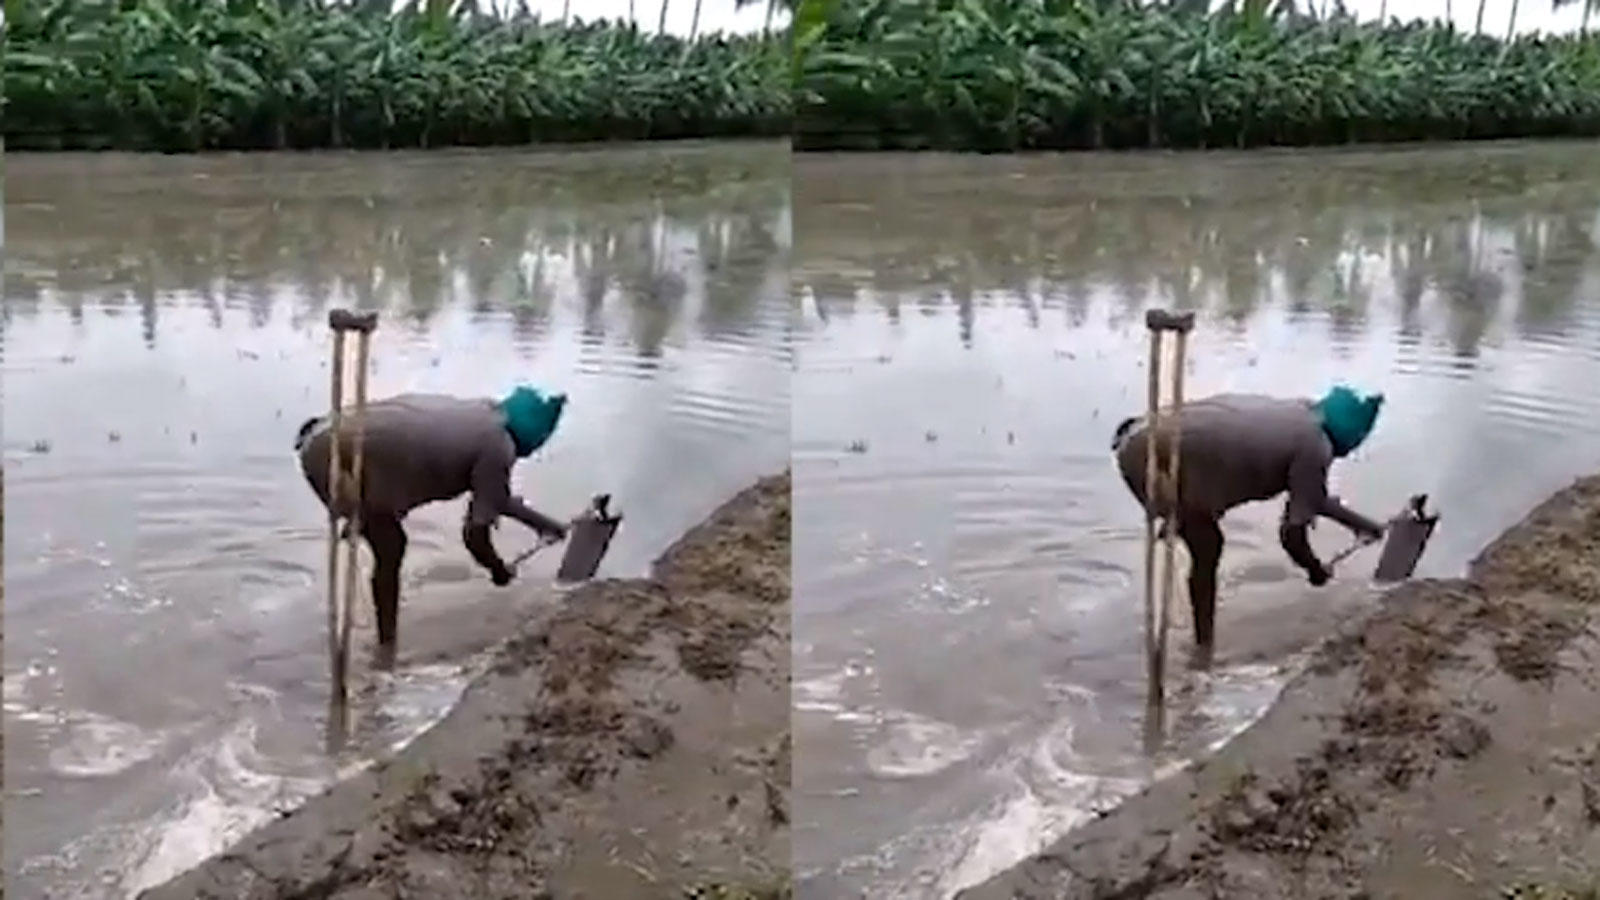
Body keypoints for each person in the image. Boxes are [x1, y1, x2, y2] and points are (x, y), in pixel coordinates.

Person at [1112, 386, 1387, 661]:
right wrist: (1314, 569)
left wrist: (1362, 525)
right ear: (1350, 438)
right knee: (1208, 547)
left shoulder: (1299, 413)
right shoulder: (1316, 447)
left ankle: (1181, 518)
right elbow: (1291, 533)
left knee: (1200, 531)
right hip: (1157, 456)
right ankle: (1203, 651)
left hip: (1138, 435)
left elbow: (1313, 497)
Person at [294, 385, 570, 653]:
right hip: (339, 457)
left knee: (384, 533)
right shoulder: (499, 448)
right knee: (391, 547)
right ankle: (386, 649)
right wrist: (497, 569)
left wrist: (544, 526)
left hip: (323, 434)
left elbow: (495, 496)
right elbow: (475, 535)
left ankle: (363, 521)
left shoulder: (483, 413)